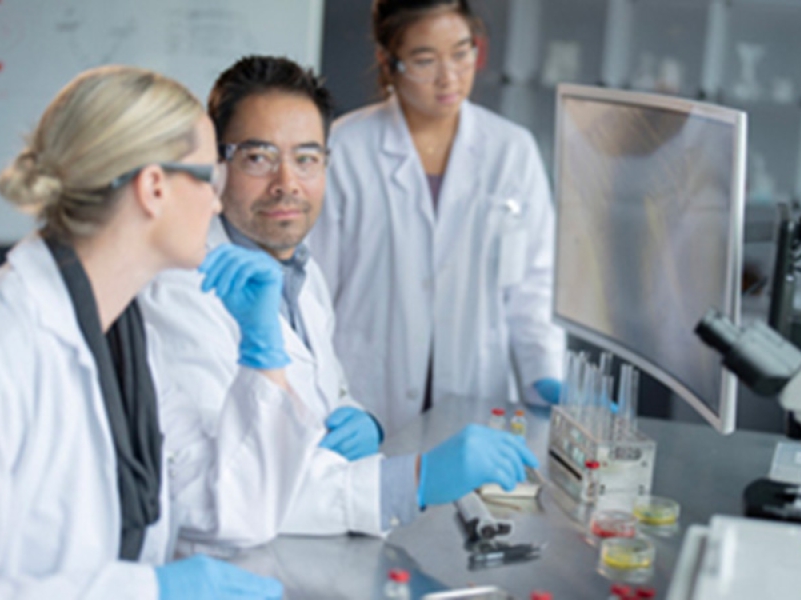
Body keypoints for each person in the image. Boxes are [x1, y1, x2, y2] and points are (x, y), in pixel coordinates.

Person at [138, 55, 538, 542]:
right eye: (259, 157)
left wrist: (362, 418)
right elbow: (231, 491)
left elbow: (329, 388)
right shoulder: (182, 291)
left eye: (306, 158)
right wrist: (410, 481)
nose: (287, 183)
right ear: (217, 169)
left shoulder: (301, 268)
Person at [0, 66, 297, 598]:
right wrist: (149, 591)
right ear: (153, 187)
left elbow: (233, 511)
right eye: (209, 179)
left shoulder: (129, 343)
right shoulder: (3, 342)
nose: (218, 204)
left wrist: (264, 354)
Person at [307, 0, 565, 434]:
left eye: (461, 52)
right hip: (366, 394)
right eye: (425, 60)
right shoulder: (345, 149)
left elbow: (534, 287)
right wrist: (327, 394)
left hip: (478, 393)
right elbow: (314, 290)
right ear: (388, 62)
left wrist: (544, 373)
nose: (449, 76)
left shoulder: (511, 151)